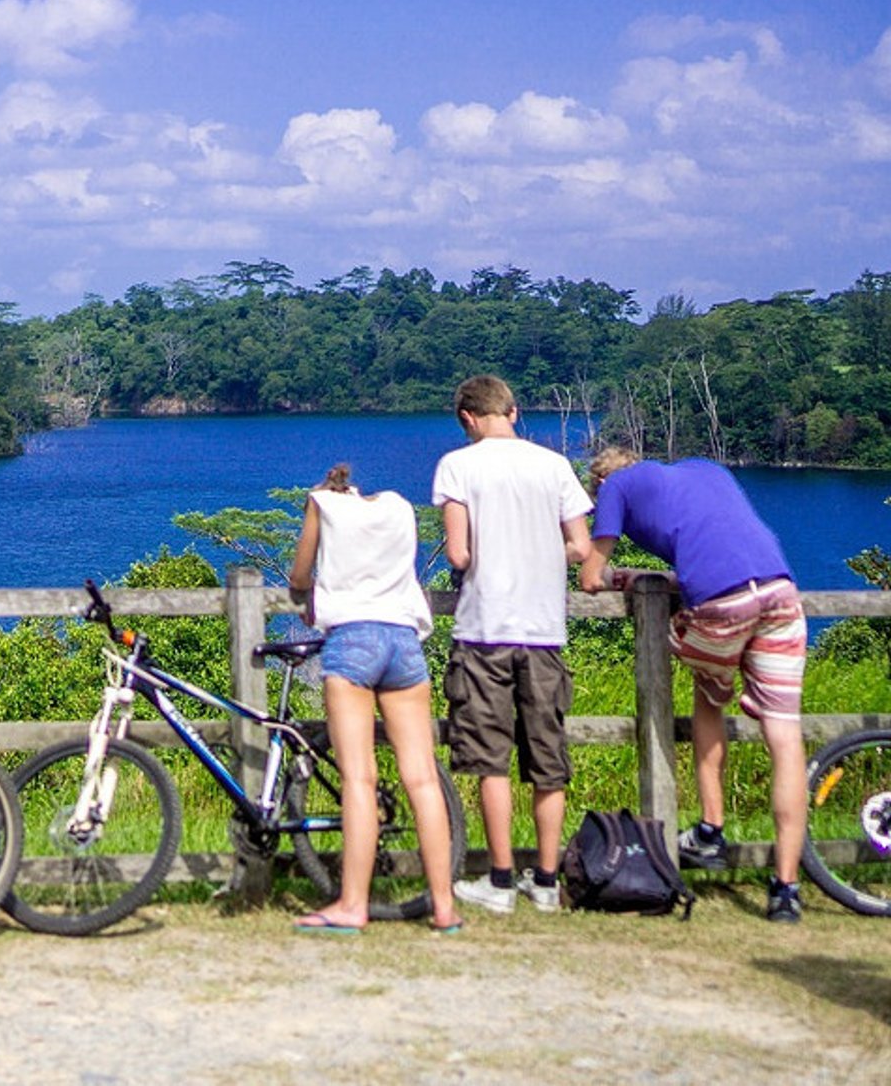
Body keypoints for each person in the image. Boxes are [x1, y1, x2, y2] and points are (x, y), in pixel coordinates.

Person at [578, 446, 808, 923]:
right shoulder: (706, 469)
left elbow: (590, 575)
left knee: (708, 698)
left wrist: (614, 574)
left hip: (720, 604)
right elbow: (717, 538)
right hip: (780, 590)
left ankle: (710, 829)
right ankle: (786, 888)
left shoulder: (614, 488)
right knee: (785, 739)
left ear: (601, 483)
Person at [432, 375, 592, 914]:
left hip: (484, 629)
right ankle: (546, 880)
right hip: (543, 630)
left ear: (467, 419)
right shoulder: (554, 466)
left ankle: (500, 879)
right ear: (514, 412)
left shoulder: (458, 465)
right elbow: (580, 545)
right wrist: (541, 554)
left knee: (490, 759)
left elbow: (457, 554)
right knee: (548, 759)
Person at [288, 463, 463, 934]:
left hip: (353, 639)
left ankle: (352, 903)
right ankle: (444, 905)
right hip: (404, 640)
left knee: (360, 780)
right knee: (422, 777)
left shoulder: (321, 503)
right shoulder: (400, 508)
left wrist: (302, 596)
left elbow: (301, 575)